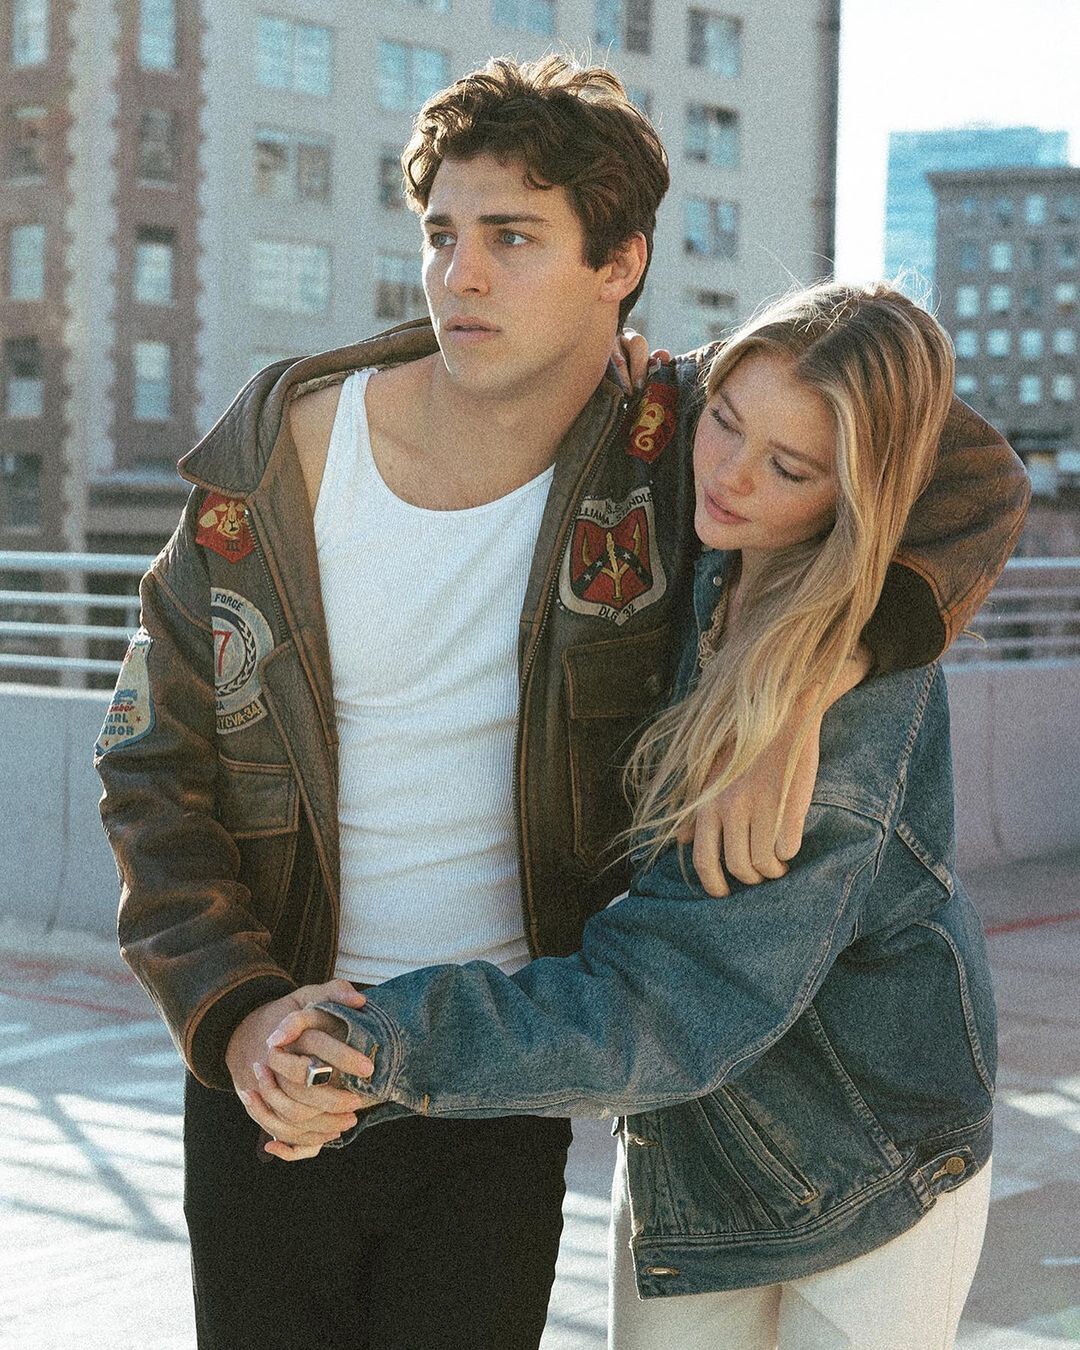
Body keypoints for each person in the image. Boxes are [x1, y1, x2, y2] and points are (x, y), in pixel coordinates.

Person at [94, 56, 1027, 1350]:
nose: (459, 276)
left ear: (620, 263)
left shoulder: (678, 442)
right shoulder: (273, 462)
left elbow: (955, 460)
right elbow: (151, 766)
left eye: (513, 237)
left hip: (501, 1076)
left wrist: (825, 668)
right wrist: (239, 1005)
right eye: (441, 235)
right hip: (279, 1058)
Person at [274, 282, 1005, 1350]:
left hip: (869, 1168)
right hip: (695, 1158)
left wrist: (383, 1041)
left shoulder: (853, 727)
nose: (729, 476)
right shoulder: (713, 545)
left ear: (861, 491)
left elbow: (664, 1004)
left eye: (790, 469)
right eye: (724, 423)